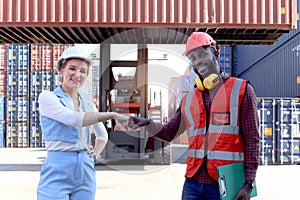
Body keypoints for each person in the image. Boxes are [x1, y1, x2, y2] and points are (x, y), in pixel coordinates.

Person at [130, 32, 260, 200]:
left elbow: (252, 139)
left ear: (216, 52)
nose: (198, 61)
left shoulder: (241, 90)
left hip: (225, 183)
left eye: (202, 54)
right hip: (193, 183)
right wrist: (148, 123)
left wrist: (249, 182)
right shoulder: (189, 99)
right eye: (192, 58)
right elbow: (169, 133)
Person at [37, 46, 129, 200]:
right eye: (72, 69)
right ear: (61, 70)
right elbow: (73, 119)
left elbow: (102, 135)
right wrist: (112, 114)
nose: (77, 75)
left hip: (85, 168)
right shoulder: (48, 98)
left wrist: (94, 155)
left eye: (83, 71)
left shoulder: (87, 102)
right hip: (58, 164)